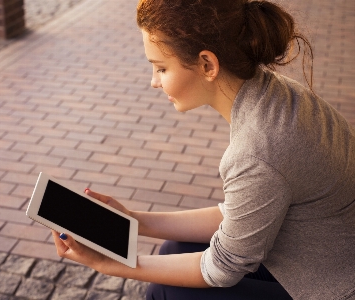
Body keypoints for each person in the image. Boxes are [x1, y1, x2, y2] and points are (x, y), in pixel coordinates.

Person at [52, 0, 355, 299]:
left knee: (166, 292)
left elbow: (222, 268)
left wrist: (110, 264)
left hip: (331, 287)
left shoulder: (257, 150)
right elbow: (241, 211)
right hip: (315, 261)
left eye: (161, 68)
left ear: (208, 64)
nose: (154, 82)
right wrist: (133, 220)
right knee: (174, 249)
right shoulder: (274, 93)